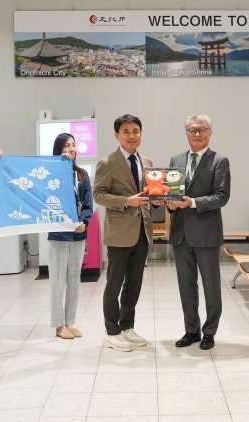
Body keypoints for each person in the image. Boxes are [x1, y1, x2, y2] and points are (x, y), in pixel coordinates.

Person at [167, 115, 230, 351]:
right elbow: (171, 193)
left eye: (202, 129)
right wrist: (169, 204)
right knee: (186, 286)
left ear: (210, 133)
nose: (197, 134)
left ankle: (209, 332)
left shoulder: (219, 161)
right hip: (180, 233)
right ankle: (191, 330)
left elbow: (221, 196)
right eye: (192, 130)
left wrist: (192, 202)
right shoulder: (175, 159)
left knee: (211, 287)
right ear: (186, 133)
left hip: (206, 233)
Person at [93, 114, 153, 352]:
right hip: (119, 233)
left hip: (142, 231)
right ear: (117, 135)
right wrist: (126, 201)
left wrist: (158, 199)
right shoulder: (107, 162)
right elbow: (98, 194)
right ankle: (111, 331)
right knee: (114, 283)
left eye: (136, 131)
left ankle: (127, 326)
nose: (131, 136)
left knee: (134, 284)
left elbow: (150, 193)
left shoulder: (146, 161)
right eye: (126, 131)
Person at [48, 133, 93, 340]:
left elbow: (88, 204)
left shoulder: (82, 175)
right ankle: (59, 325)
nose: (72, 149)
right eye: (67, 146)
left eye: (74, 145)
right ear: (59, 150)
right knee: (58, 282)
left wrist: (84, 221)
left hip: (78, 234)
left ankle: (70, 322)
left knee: (74, 280)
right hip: (59, 234)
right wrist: (62, 168)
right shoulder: (51, 175)